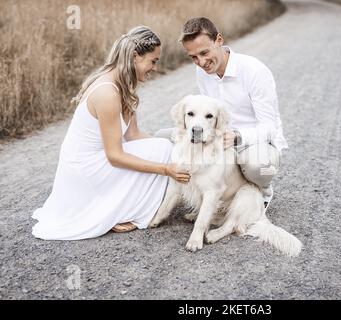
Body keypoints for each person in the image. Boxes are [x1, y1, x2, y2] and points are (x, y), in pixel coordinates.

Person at [32, 26, 190, 240]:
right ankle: (118, 212)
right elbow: (115, 156)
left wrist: (176, 148)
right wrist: (165, 169)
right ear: (135, 56)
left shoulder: (125, 85)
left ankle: (122, 203)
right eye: (153, 61)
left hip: (98, 160)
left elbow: (133, 135)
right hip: (84, 168)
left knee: (164, 147)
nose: (155, 67)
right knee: (162, 156)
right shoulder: (107, 92)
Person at [156, 17, 287, 210]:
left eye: (204, 52)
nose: (201, 62)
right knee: (161, 139)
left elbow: (270, 128)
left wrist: (237, 137)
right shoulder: (202, 71)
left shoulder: (254, 71)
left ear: (219, 40)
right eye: (193, 57)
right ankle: (187, 192)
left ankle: (262, 190)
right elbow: (206, 115)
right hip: (219, 138)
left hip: (252, 142)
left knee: (257, 166)